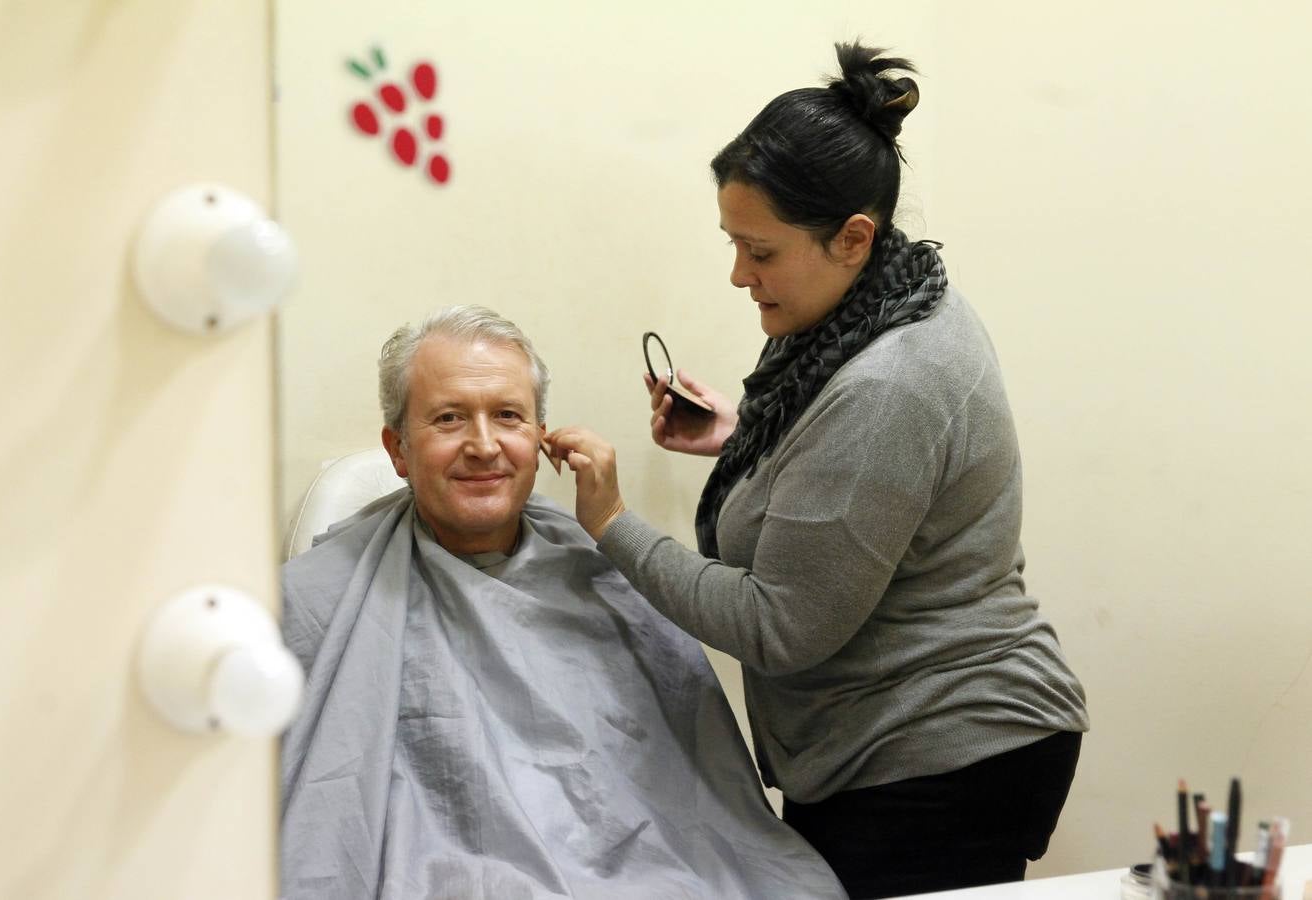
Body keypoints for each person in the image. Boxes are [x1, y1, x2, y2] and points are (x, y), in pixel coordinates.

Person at [547, 42, 1090, 899]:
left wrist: (613, 524)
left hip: (938, 759)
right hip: (900, 746)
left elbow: (778, 625)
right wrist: (746, 438)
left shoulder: (893, 382)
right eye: (732, 244)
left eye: (759, 252)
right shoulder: (896, 293)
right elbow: (858, 481)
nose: (738, 275)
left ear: (853, 237)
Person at [278, 306, 845, 899]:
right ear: (398, 450)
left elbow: (699, 805)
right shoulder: (318, 601)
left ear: (540, 438)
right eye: (448, 419)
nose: (483, 444)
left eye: (508, 416)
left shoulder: (610, 576)